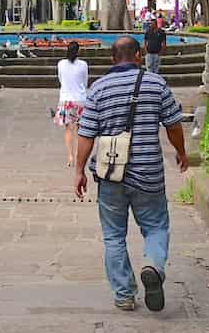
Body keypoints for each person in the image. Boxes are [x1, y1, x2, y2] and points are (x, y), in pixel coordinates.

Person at [73, 36, 189, 312]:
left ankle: (124, 294)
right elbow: (173, 124)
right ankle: (153, 265)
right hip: (148, 173)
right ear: (139, 55)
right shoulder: (155, 83)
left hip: (111, 174)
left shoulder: (98, 89)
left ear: (113, 59)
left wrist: (78, 170)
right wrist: (182, 153)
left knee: (113, 235)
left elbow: (86, 133)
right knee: (156, 226)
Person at [55, 41, 90, 170]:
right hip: (80, 99)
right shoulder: (83, 65)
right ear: (78, 51)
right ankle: (79, 154)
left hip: (66, 99)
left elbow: (60, 79)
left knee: (69, 129)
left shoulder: (61, 64)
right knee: (80, 129)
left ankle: (70, 155)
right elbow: (85, 81)